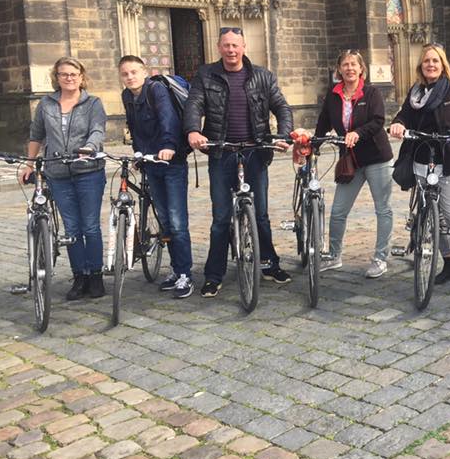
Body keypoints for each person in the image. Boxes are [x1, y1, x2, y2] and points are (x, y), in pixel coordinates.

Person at [184, 27, 294, 298]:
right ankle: (214, 275)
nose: (231, 50)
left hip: (256, 151)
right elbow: (194, 104)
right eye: (226, 45)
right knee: (221, 218)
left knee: (261, 215)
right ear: (219, 47)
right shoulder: (205, 74)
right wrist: (193, 130)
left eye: (235, 45)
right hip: (222, 152)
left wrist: (283, 135)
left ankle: (269, 264)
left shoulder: (262, 76)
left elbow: (281, 107)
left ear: (244, 47)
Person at [389, 44, 450, 297]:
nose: (430, 65)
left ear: (443, 65)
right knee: (433, 214)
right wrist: (397, 124)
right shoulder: (415, 93)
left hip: (449, 160)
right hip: (421, 158)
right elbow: (403, 115)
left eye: (435, 61)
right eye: (426, 61)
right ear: (420, 66)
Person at [23, 57, 107, 300]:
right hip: (57, 173)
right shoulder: (46, 104)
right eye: (63, 74)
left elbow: (98, 130)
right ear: (56, 77)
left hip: (89, 171)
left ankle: (96, 276)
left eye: (73, 74)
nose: (69, 78)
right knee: (71, 227)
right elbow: (36, 135)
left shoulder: (93, 103)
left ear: (81, 76)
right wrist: (29, 164)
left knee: (90, 226)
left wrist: (89, 148)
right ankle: (79, 276)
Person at [119, 56, 194, 299]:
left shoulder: (156, 90)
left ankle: (185, 274)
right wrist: (138, 154)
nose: (130, 77)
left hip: (171, 162)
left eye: (134, 72)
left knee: (177, 221)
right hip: (151, 163)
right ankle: (176, 269)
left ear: (144, 72)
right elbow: (134, 128)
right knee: (164, 220)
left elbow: (168, 119)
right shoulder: (127, 96)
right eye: (125, 73)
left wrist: (169, 146)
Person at [316, 50, 394, 278]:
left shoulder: (371, 93)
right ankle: (334, 255)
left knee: (383, 209)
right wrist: (312, 145)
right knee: (338, 211)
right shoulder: (333, 95)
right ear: (339, 69)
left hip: (377, 158)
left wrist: (358, 133)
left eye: (353, 64)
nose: (349, 68)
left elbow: (378, 121)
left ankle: (380, 258)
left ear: (361, 69)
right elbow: (323, 124)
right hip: (351, 161)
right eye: (345, 65)